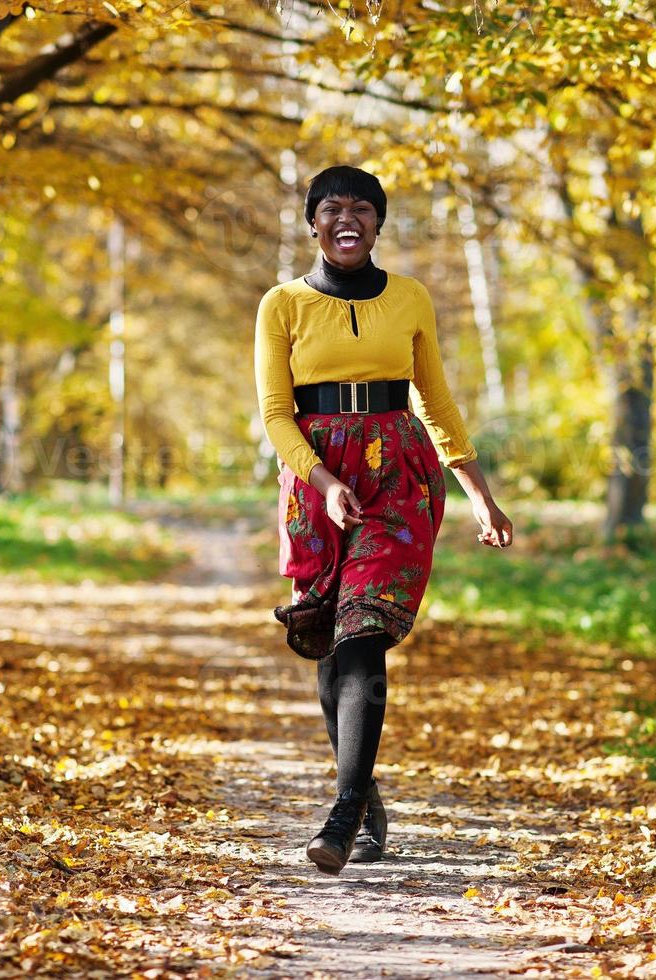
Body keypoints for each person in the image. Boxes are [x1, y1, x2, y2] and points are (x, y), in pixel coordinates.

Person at [253, 165, 515, 875]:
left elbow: (434, 401)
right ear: (312, 223)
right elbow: (276, 416)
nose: (348, 219)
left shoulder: (410, 299)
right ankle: (365, 795)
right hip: (314, 478)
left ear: (377, 223)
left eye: (362, 209)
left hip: (397, 477)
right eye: (332, 208)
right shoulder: (281, 305)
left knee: (364, 631)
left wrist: (477, 491)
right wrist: (324, 478)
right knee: (326, 641)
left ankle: (340, 818)